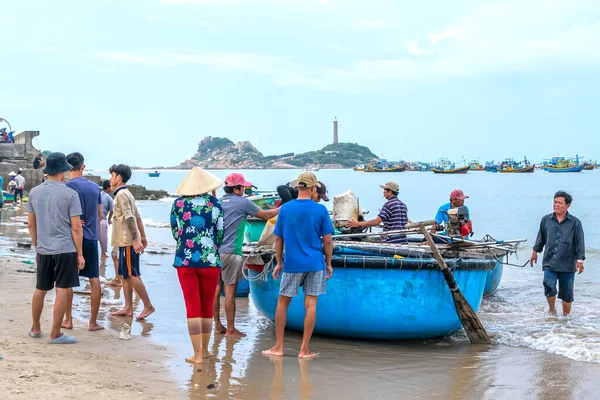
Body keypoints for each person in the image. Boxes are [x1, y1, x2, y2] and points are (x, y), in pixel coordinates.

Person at [262, 172, 334, 358]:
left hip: (292, 263)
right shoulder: (320, 210)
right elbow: (327, 240)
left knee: (283, 301)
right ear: (313, 188)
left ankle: (278, 347)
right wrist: (328, 263)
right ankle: (304, 350)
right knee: (310, 304)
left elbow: (278, 239)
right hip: (315, 263)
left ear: (297, 188)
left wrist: (279, 262)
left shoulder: (285, 209)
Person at [27, 152, 85, 344]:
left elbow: (31, 225)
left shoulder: (34, 192)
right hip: (65, 249)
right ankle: (55, 333)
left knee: (40, 289)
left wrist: (38, 247)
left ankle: (35, 328)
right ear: (62, 171)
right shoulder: (70, 194)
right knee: (62, 289)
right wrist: (80, 254)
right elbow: (76, 227)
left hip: (44, 249)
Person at [213, 172, 280, 337]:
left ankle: (218, 325)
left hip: (214, 252)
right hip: (231, 252)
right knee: (230, 292)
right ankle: (230, 329)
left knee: (216, 290)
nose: (244, 190)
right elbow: (265, 215)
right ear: (236, 189)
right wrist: (284, 207)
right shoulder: (243, 203)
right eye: (243, 187)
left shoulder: (217, 202)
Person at [170, 167, 224, 364]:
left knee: (192, 305)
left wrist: (187, 243)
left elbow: (176, 232)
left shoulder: (178, 204)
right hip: (210, 261)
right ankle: (206, 350)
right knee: (206, 305)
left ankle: (198, 355)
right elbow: (220, 233)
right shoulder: (215, 203)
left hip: (185, 260)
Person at [63, 152, 104, 331]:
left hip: (73, 237)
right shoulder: (95, 187)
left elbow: (64, 213)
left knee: (69, 280)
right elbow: (100, 213)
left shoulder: (67, 186)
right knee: (94, 279)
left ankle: (68, 320)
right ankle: (93, 322)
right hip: (91, 237)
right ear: (83, 166)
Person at [109, 164, 155, 320]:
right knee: (125, 275)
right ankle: (128, 307)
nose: (110, 179)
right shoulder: (126, 194)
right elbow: (138, 216)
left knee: (132, 273)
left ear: (118, 177)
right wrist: (143, 236)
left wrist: (136, 240)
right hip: (124, 242)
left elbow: (130, 217)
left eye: (112, 175)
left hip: (127, 241)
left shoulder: (122, 195)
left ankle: (148, 305)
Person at [530, 191, 585, 316]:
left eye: (560, 203)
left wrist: (580, 260)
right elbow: (541, 238)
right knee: (548, 285)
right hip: (550, 261)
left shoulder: (575, 223)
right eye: (555, 202)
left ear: (568, 205)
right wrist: (535, 252)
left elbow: (580, 242)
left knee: (567, 294)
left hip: (567, 263)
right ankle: (552, 308)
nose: (556, 205)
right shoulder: (546, 220)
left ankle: (566, 318)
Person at [100, 180, 114, 260]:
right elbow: (112, 210)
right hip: (103, 219)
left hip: (94, 219)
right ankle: (103, 253)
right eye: (111, 187)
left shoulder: (98, 194)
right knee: (103, 238)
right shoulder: (109, 198)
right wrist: (109, 219)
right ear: (108, 187)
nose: (112, 188)